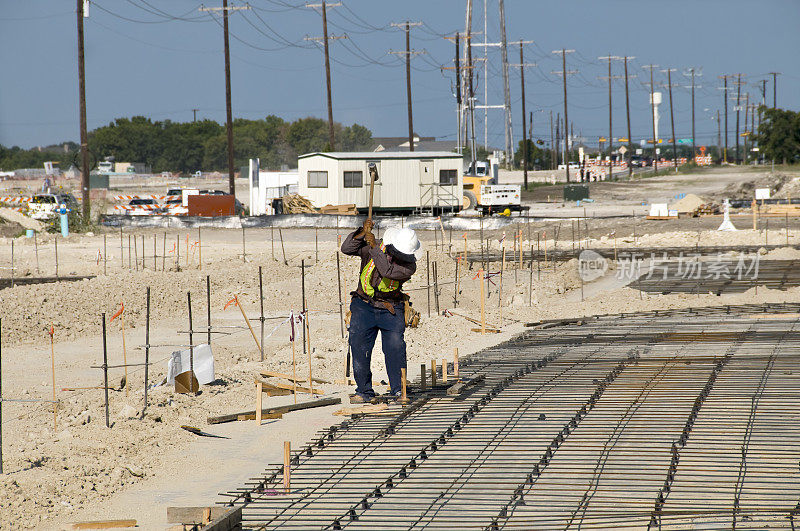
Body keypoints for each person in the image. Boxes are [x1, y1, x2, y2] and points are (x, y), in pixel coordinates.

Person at [341, 219, 420, 403]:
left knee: (395, 347)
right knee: (359, 347)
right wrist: (362, 233)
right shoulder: (374, 246)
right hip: (363, 305)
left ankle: (399, 390)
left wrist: (373, 246)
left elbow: (387, 271)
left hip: (390, 308)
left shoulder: (409, 266)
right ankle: (364, 391)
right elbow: (347, 249)